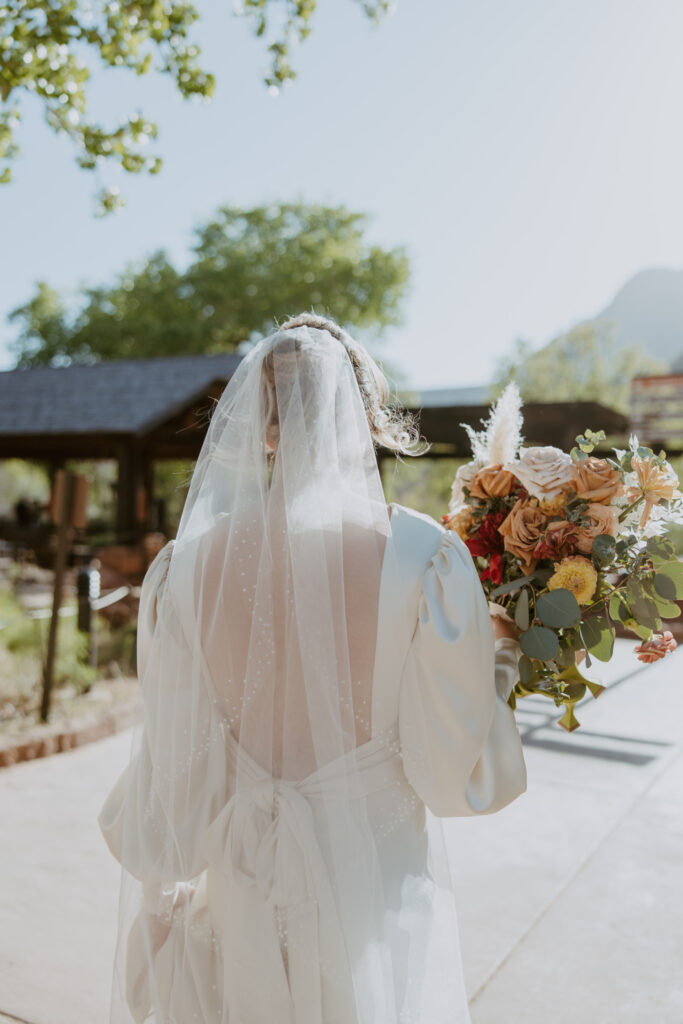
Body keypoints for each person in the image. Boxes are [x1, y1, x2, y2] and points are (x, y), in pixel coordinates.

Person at [98, 313, 527, 1024]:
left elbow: (172, 780)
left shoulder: (187, 571)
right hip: (374, 905)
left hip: (238, 902)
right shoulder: (424, 561)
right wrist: (505, 654)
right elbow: (456, 774)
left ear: (258, 426)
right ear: (364, 416)